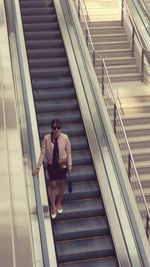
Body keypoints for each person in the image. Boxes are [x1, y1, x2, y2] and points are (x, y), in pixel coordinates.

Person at [32, 119, 72, 219]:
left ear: (60, 128)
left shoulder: (65, 137)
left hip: (62, 163)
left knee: (62, 183)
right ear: (52, 128)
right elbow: (43, 153)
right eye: (54, 128)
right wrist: (38, 167)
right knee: (53, 185)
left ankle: (59, 203)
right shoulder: (47, 138)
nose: (56, 129)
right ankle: (53, 205)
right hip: (52, 165)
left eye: (58, 127)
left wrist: (70, 166)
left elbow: (69, 152)